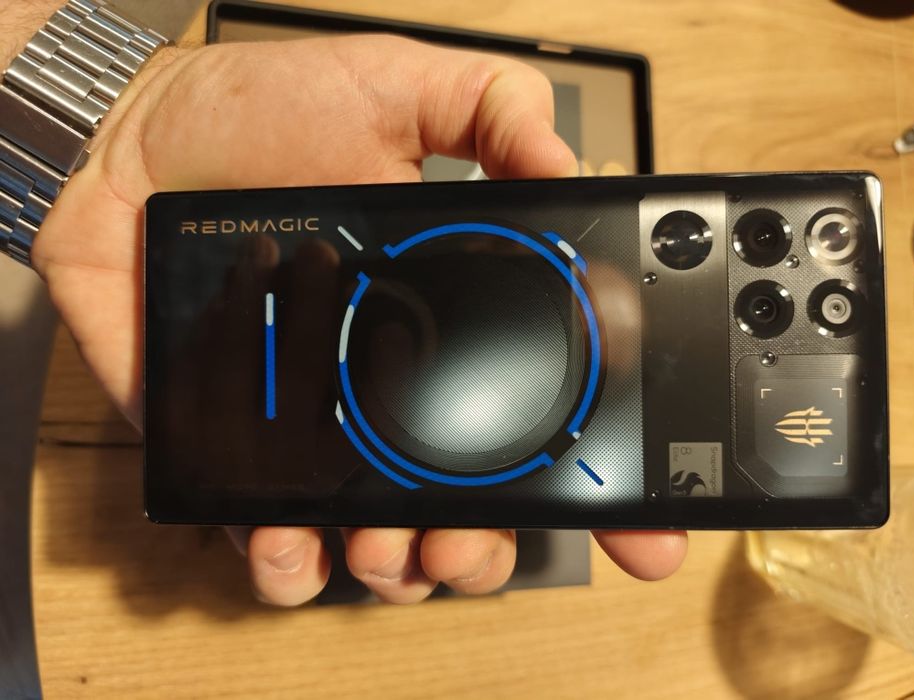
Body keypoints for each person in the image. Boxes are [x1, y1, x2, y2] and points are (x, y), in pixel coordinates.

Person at [4, 2, 687, 606]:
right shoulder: (304, 208)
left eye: (578, 358)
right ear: (490, 252)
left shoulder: (346, 457)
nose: (527, 336)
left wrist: (105, 145)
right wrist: (129, 120)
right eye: (543, 297)